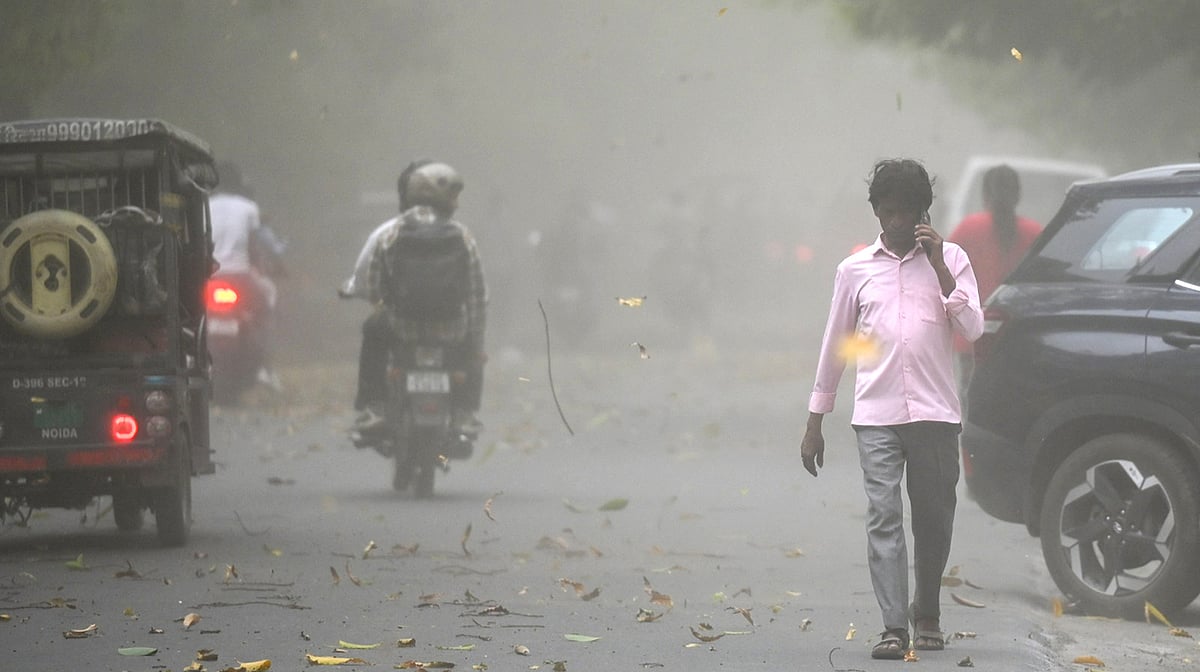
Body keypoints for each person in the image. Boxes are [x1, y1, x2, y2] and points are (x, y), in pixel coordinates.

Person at [799, 159, 983, 660]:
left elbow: (973, 328)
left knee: (933, 519)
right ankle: (894, 626)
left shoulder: (953, 259)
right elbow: (836, 344)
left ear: (924, 211)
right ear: (876, 212)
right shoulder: (854, 270)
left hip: (935, 415)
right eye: (888, 212)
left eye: (906, 212)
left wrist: (940, 267)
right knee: (883, 516)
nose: (897, 223)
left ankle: (928, 613)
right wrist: (816, 420)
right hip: (876, 417)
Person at [353, 160, 487, 438]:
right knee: (474, 349)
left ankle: (376, 407)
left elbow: (373, 285)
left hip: (401, 328)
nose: (457, 203)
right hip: (452, 329)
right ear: (442, 199)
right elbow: (477, 294)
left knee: (372, 329)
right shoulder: (463, 236)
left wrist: (385, 307)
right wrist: (476, 342)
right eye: (453, 196)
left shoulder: (390, 233)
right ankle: (465, 413)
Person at [947, 164, 1041, 407]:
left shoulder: (968, 229)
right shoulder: (1035, 234)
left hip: (973, 340)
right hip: (1018, 338)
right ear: (1018, 195)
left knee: (973, 402)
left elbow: (943, 274)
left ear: (985, 196)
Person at [209, 160, 286, 390]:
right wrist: (270, 266)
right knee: (267, 300)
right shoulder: (248, 207)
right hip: (240, 276)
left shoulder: (203, 204)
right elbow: (256, 244)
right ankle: (265, 368)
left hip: (209, 276)